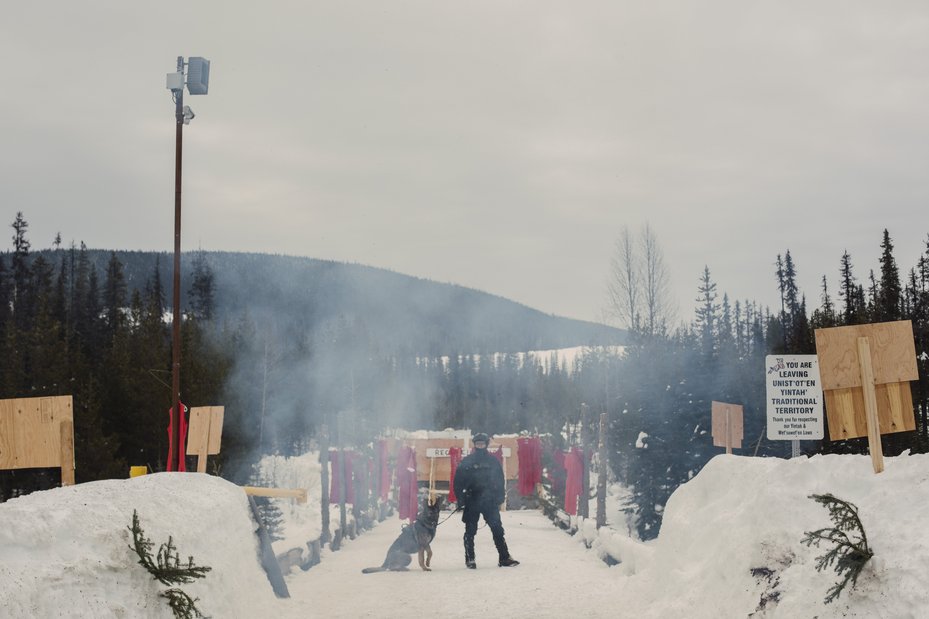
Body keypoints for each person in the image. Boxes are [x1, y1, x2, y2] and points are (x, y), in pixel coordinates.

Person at [452, 432, 519, 568]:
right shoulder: (467, 461)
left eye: (482, 443)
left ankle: (504, 557)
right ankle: (470, 559)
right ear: (475, 445)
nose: (480, 446)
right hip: (472, 500)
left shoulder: (493, 461)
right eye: (478, 444)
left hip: (489, 500)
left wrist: (500, 496)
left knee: (497, 529)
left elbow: (500, 480)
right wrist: (461, 499)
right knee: (470, 531)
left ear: (486, 445)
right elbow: (458, 481)